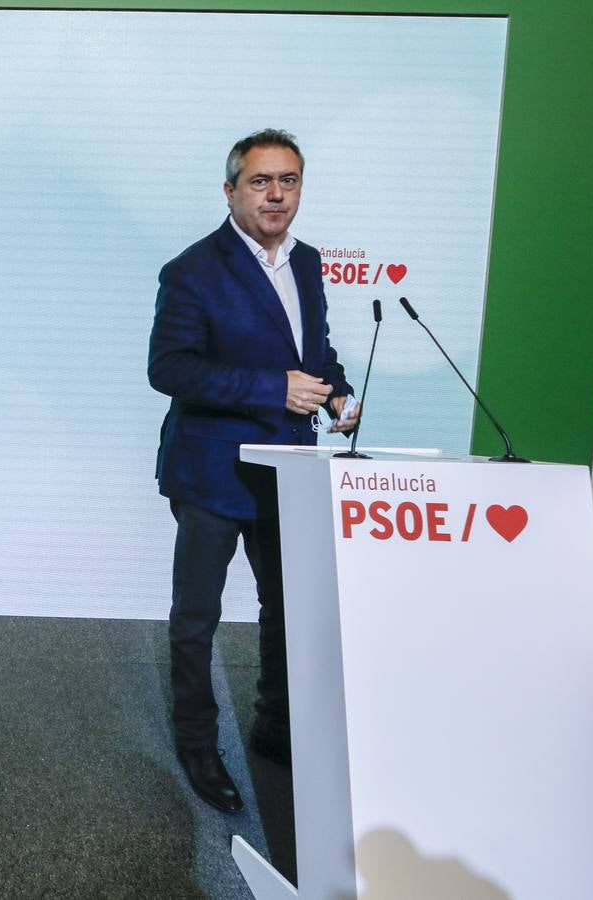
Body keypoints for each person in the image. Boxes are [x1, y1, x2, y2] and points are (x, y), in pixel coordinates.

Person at [147, 130, 359, 811]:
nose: (276, 194)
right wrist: (275, 389)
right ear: (232, 189)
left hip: (286, 469)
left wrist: (337, 392)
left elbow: (314, 351)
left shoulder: (309, 262)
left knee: (287, 609)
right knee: (196, 619)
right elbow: (170, 369)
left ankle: (275, 729)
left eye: (288, 181)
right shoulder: (192, 270)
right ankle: (198, 745)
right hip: (212, 471)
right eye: (261, 181)